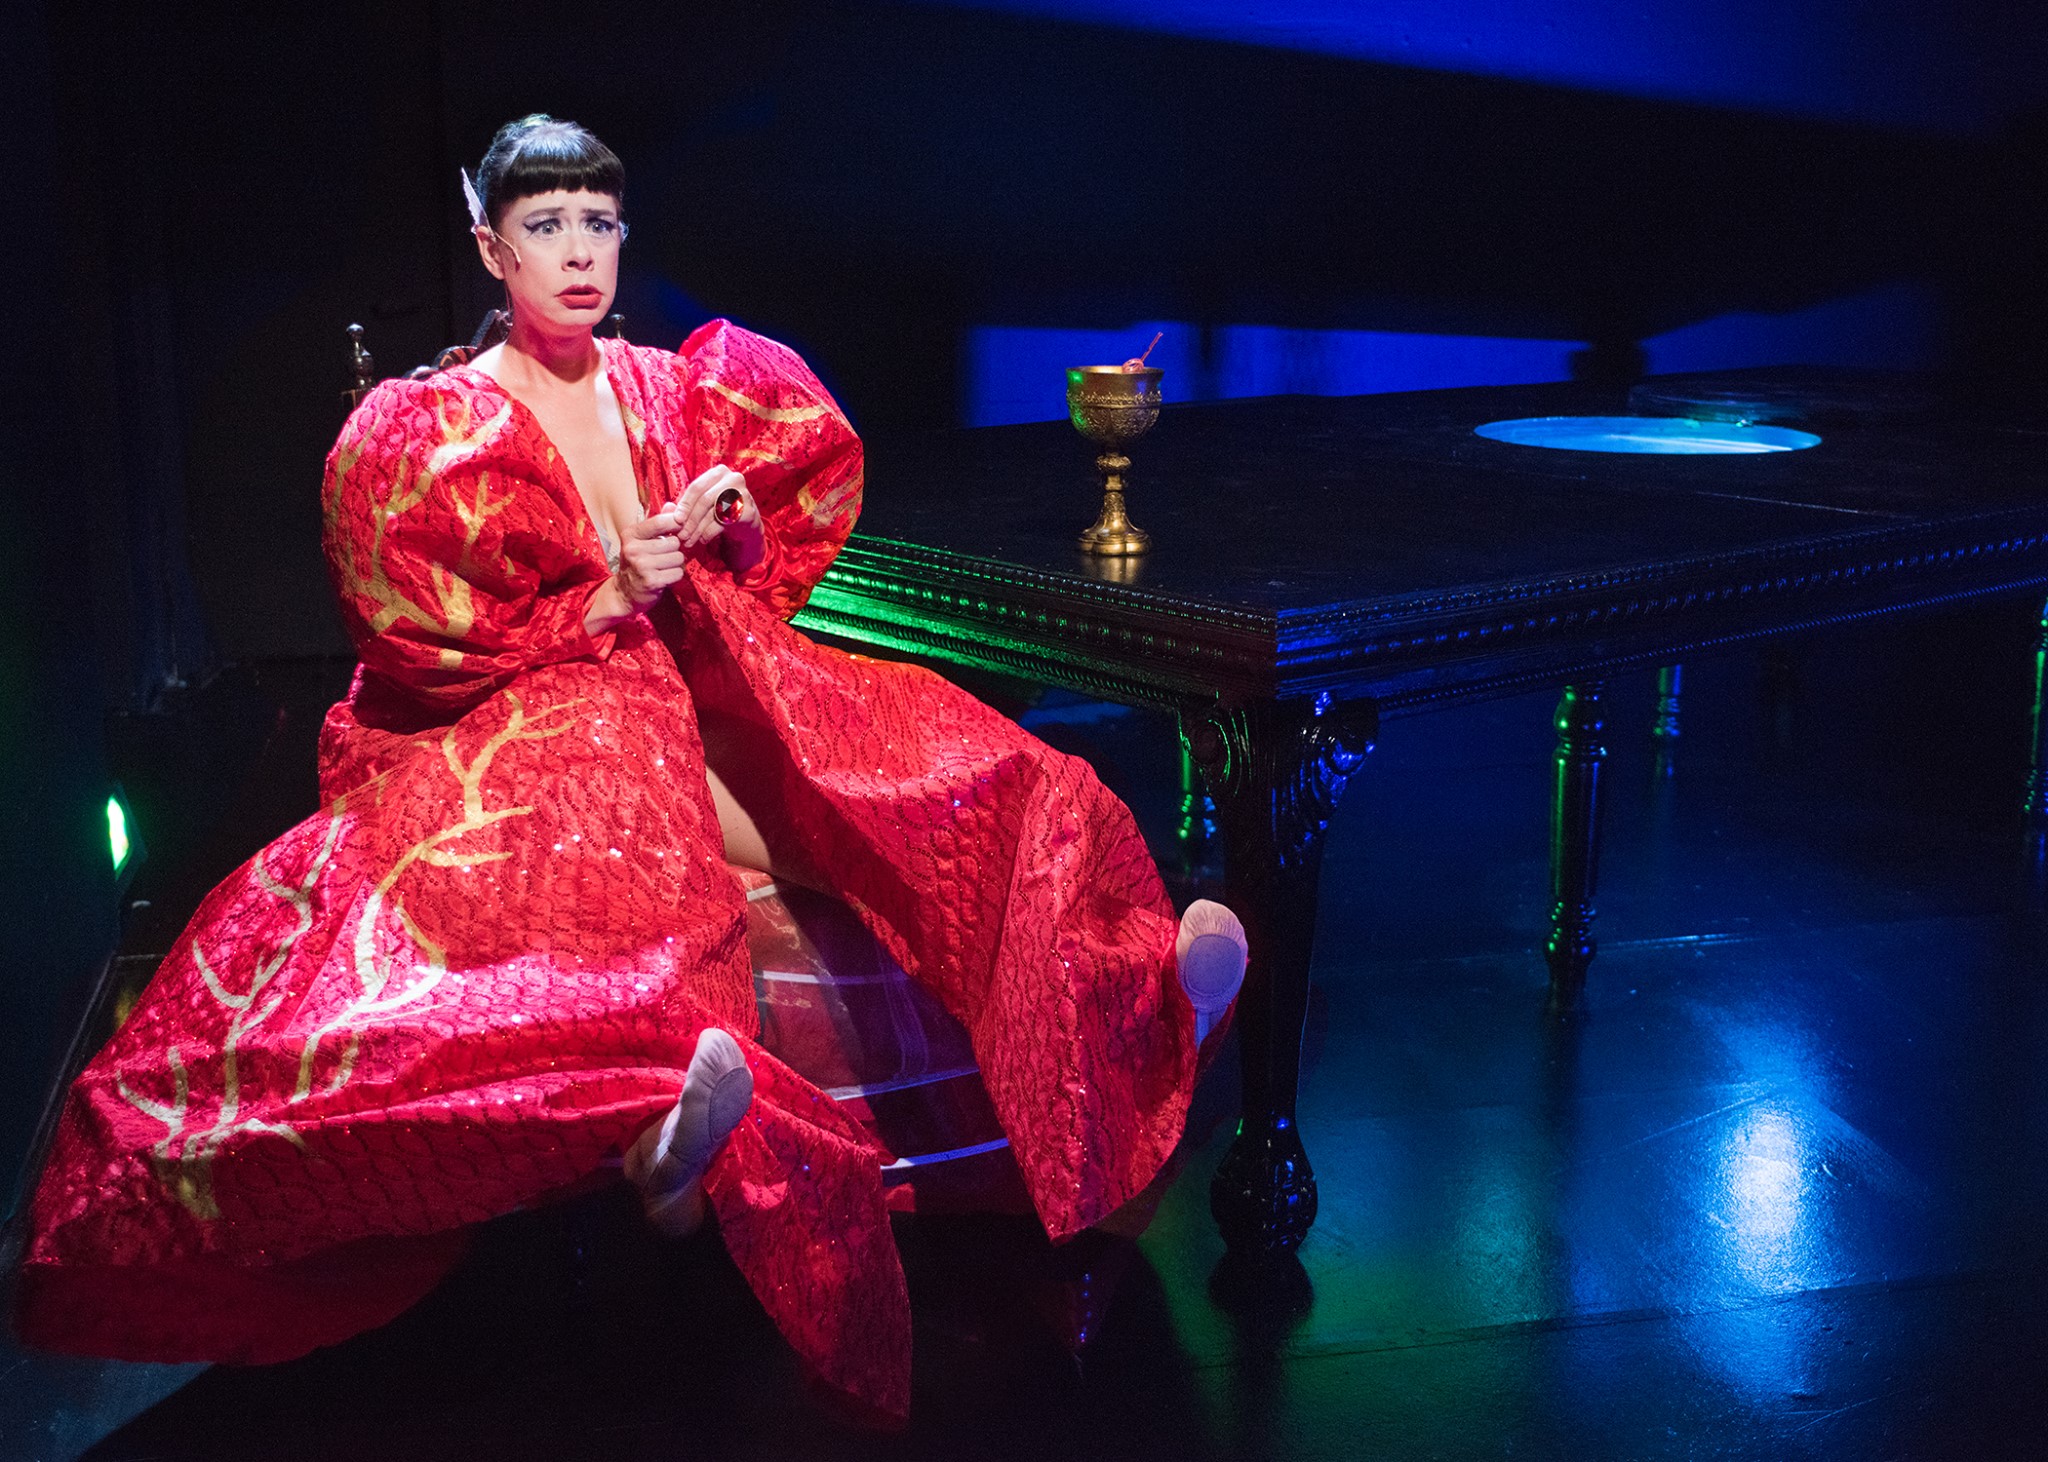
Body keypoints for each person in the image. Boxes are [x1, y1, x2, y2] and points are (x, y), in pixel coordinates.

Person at [15, 115, 1246, 1422]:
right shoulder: (437, 427)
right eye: (545, 226)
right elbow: (422, 636)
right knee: (636, 860)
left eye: (597, 223)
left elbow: (771, 560)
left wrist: (736, 529)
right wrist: (607, 591)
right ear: (491, 247)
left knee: (953, 774)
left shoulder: (670, 386)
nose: (578, 253)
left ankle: (1131, 989)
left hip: (708, 684)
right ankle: (670, 1155)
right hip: (551, 708)